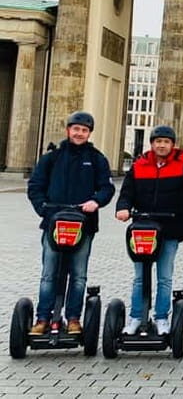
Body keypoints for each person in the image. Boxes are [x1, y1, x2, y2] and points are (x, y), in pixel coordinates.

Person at [26, 111, 115, 335]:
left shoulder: (96, 158)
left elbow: (107, 187)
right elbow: (35, 186)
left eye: (84, 130)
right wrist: (42, 208)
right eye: (76, 129)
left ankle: (74, 318)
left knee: (78, 275)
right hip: (53, 223)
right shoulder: (52, 158)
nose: (79, 133)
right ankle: (43, 318)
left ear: (89, 133)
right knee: (49, 273)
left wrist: (96, 201)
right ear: (68, 130)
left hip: (83, 225)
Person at [115, 126, 183, 335]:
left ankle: (161, 318)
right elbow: (127, 191)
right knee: (140, 277)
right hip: (143, 229)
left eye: (166, 142)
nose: (161, 145)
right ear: (152, 143)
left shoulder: (182, 162)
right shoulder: (140, 164)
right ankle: (136, 317)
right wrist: (122, 208)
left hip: (170, 228)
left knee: (164, 277)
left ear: (172, 144)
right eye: (158, 141)